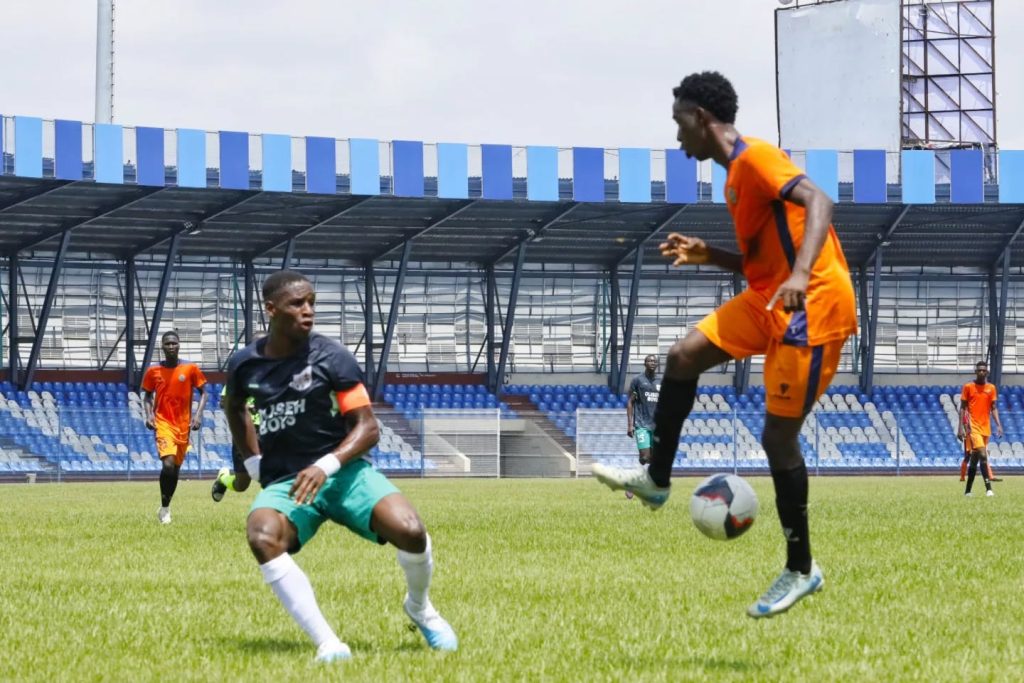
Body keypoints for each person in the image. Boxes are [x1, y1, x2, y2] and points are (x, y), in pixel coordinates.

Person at [592, 71, 857, 619]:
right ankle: (657, 479)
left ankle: (801, 569)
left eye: (678, 123)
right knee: (683, 354)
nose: (677, 137)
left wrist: (802, 275)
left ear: (701, 117)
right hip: (768, 296)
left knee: (777, 438)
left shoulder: (756, 158)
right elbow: (765, 261)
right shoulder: (733, 177)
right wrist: (709, 254)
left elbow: (819, 201)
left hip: (811, 307)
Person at [223, 269, 457, 662]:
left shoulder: (333, 357)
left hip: (344, 473)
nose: (308, 310)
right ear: (271, 309)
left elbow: (368, 428)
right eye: (298, 303)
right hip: (288, 481)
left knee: (411, 531)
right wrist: (252, 462)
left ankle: (420, 608)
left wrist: (325, 466)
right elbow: (233, 407)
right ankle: (328, 644)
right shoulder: (245, 364)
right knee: (262, 535)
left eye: (312, 301)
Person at [142, 330, 208, 524]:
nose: (171, 347)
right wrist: (149, 415)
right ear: (162, 347)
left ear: (179, 346)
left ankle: (165, 506)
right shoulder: (153, 371)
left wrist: (197, 415)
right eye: (167, 344)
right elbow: (146, 395)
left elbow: (204, 392)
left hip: (183, 425)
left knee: (175, 470)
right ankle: (165, 510)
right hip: (163, 423)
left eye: (174, 343)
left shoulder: (190, 369)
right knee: (168, 464)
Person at [211, 332, 266, 502]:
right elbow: (223, 402)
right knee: (242, 484)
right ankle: (223, 479)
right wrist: (244, 406)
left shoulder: (276, 373)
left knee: (271, 477)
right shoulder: (240, 373)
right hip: (244, 432)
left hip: (269, 431)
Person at [958, 361, 1003, 497]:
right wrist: (960, 428)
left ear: (987, 372)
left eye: (984, 370)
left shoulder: (991, 388)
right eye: (979, 370)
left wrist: (999, 425)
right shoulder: (968, 387)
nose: (981, 372)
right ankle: (989, 489)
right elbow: (963, 407)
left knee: (975, 460)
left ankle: (967, 491)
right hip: (973, 428)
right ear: (976, 372)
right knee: (983, 455)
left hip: (986, 428)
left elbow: (993, 408)